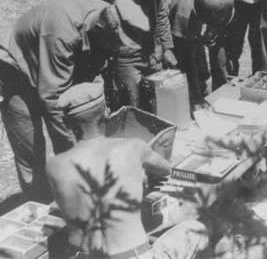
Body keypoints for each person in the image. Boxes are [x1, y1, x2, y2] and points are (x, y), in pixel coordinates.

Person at [0, 0, 149, 200]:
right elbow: (53, 101)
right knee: (31, 149)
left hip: (56, 64)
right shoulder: (63, 33)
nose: (116, 50)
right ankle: (40, 203)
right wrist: (76, 155)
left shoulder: (109, 15)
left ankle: (72, 194)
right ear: (102, 30)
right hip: (17, 68)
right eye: (115, 44)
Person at [46, 82, 206, 258]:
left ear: (67, 124)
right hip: (133, 255)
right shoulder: (133, 147)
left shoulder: (54, 166)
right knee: (196, 229)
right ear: (107, 112)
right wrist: (196, 176)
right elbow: (171, 172)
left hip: (86, 255)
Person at [169, 0, 235, 106]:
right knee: (189, 61)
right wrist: (198, 101)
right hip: (182, 23)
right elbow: (189, 64)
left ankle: (219, 88)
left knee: (214, 47)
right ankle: (196, 97)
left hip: (205, 6)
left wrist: (214, 31)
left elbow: (222, 16)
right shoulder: (183, 16)